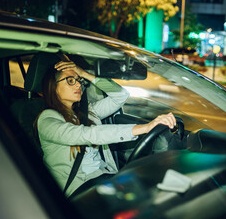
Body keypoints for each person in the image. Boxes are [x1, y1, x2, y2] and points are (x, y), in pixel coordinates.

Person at [37, 60, 176, 197]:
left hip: (104, 179)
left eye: (79, 80)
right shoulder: (47, 120)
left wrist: (84, 73)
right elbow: (88, 134)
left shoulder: (88, 112)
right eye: (70, 80)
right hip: (78, 190)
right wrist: (144, 128)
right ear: (53, 87)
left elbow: (121, 95)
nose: (78, 84)